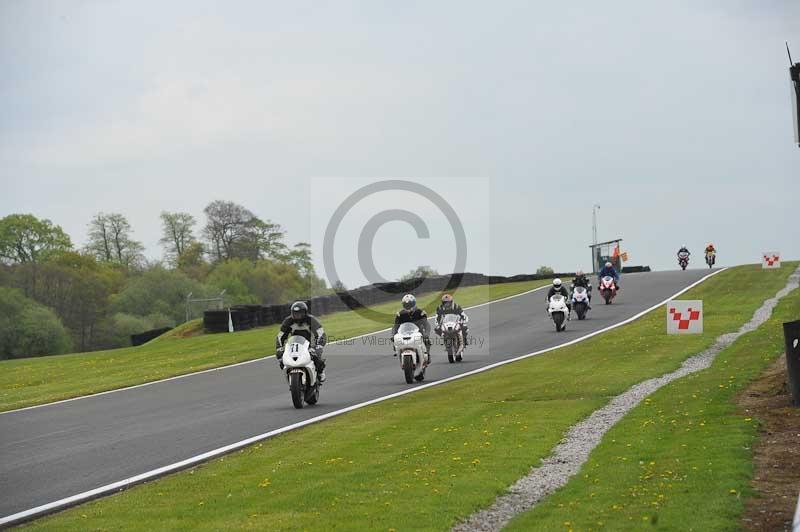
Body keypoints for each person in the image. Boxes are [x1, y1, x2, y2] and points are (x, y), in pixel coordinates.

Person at [276, 301, 327, 382]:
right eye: (295, 314)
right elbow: (280, 337)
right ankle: (290, 374)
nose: (297, 316)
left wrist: (319, 346)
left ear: (305, 313)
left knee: (316, 356)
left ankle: (320, 372)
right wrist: (279, 348)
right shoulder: (288, 321)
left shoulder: (311, 320)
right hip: (294, 345)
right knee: (280, 358)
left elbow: (321, 334)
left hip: (310, 345)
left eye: (299, 314)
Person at [392, 294, 432, 365]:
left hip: (418, 333)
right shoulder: (400, 314)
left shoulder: (420, 312)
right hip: (404, 333)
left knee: (426, 340)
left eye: (410, 305)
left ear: (414, 303)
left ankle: (427, 354)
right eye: (406, 305)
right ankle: (398, 352)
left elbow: (426, 324)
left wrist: (426, 334)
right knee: (396, 340)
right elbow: (395, 326)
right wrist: (393, 335)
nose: (408, 307)